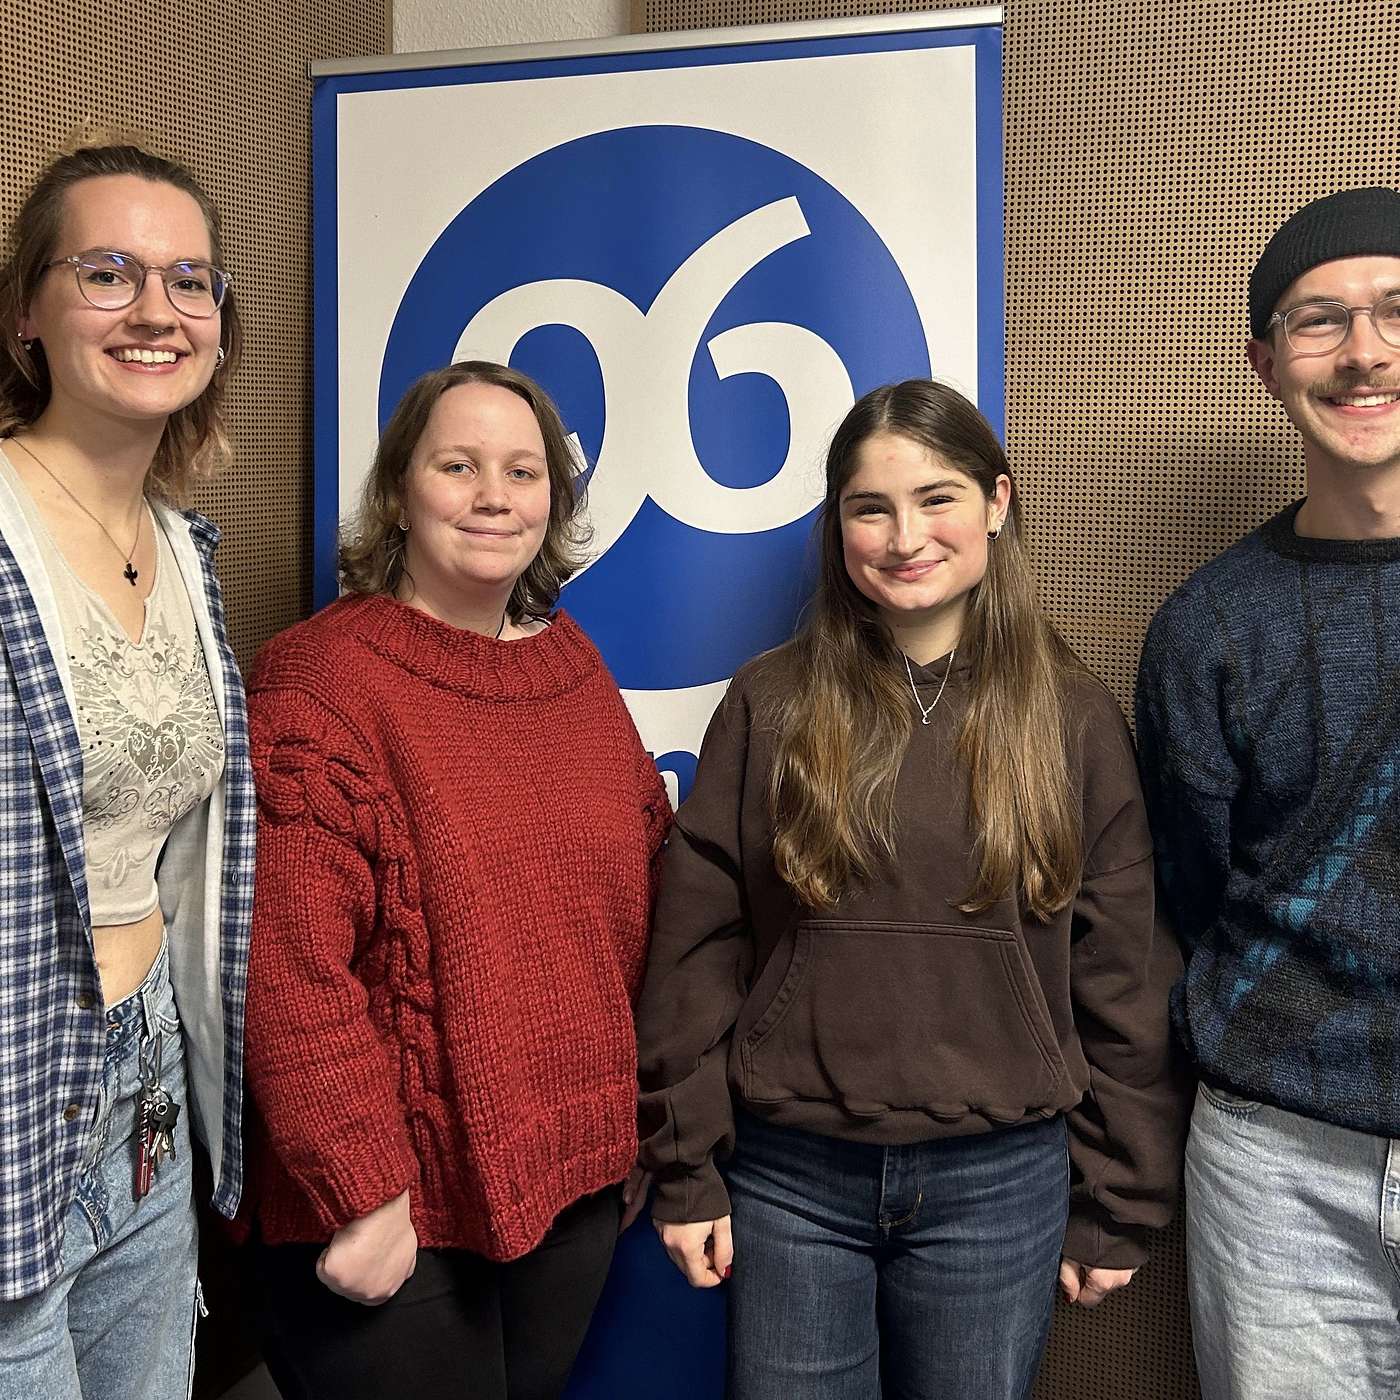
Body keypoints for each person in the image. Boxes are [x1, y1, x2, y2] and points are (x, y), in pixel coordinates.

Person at [632, 378, 1188, 1400]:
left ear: (995, 503)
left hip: (1001, 1179)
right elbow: (695, 946)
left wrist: (1117, 1194)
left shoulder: (1069, 715)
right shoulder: (771, 701)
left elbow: (1123, 970)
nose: (902, 535)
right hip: (788, 1176)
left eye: (935, 497)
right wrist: (686, 1162)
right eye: (868, 506)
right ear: (835, 523)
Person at [242, 360, 672, 1400]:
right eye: (458, 464)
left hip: (570, 1180)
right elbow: (286, 969)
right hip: (394, 1207)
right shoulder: (318, 682)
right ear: (399, 489)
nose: (493, 494)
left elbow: (648, 894)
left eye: (522, 471)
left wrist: (632, 1123)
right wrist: (360, 1189)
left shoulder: (573, 666)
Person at [1136, 186, 1400, 1399]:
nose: (1361, 352)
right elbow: (1186, 887)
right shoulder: (1205, 628)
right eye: (1318, 321)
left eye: (1396, 311)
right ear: (1263, 364)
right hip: (1277, 1166)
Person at [0, 142, 253, 1400]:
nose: (156, 309)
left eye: (188, 280)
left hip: (147, 1072)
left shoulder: (185, 548)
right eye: (107, 272)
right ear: (26, 312)